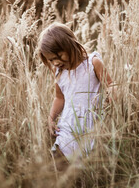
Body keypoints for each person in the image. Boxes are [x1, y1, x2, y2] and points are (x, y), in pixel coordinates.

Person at [38, 22, 114, 171]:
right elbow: (59, 98)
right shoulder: (59, 72)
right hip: (67, 128)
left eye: (58, 56)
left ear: (70, 44)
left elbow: (110, 84)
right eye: (51, 60)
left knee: (87, 171)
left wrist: (112, 94)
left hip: (90, 126)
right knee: (59, 166)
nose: (56, 62)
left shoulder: (93, 63)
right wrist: (51, 118)